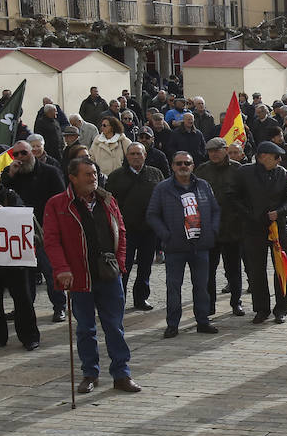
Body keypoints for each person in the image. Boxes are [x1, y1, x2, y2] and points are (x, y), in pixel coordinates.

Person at [44, 157, 139, 394]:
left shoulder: (107, 199)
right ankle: (90, 373)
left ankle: (122, 374)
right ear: (73, 178)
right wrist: (62, 269)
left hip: (109, 274)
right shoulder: (58, 204)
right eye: (87, 174)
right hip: (79, 277)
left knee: (115, 327)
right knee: (85, 328)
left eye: (94, 174)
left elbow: (122, 231)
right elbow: (52, 241)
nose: (93, 178)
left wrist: (119, 262)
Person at [146, 151, 221, 338]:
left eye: (186, 163)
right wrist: (166, 234)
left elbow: (215, 210)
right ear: (172, 166)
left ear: (193, 165)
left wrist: (213, 230)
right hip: (175, 247)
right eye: (178, 163)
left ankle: (203, 321)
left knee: (201, 286)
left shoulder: (203, 186)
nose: (183, 167)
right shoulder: (163, 188)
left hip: (201, 245)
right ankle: (173, 324)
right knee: (174, 287)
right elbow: (152, 215)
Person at [230, 141, 287, 325]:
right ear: (262, 157)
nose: (278, 160)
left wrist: (280, 212)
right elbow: (234, 197)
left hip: (278, 229)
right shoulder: (244, 173)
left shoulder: (283, 173)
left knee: (281, 269)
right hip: (254, 229)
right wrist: (250, 215)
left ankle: (281, 309)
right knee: (256, 271)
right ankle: (262, 309)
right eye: (275, 157)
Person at [2, 140, 68, 321]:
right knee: (24, 276)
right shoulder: (11, 175)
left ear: (33, 153)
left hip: (45, 231)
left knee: (50, 271)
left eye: (24, 153)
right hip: (20, 233)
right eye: (16, 155)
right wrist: (10, 175)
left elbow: (61, 201)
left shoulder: (50, 172)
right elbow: (0, 195)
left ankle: (59, 306)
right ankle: (24, 308)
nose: (20, 158)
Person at [105, 143, 165, 311]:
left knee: (145, 267)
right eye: (132, 154)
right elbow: (109, 204)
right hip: (126, 231)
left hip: (149, 230)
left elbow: (163, 198)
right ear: (127, 156)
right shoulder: (116, 176)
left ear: (145, 155)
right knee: (124, 267)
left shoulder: (156, 174)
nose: (136, 157)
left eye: (139, 153)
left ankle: (141, 298)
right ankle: (119, 299)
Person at [196, 138, 245, 316]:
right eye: (210, 151)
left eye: (217, 150)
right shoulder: (202, 170)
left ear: (225, 150)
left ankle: (236, 302)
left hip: (233, 227)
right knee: (209, 270)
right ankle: (210, 304)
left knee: (234, 270)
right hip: (210, 230)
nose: (214, 154)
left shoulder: (238, 170)